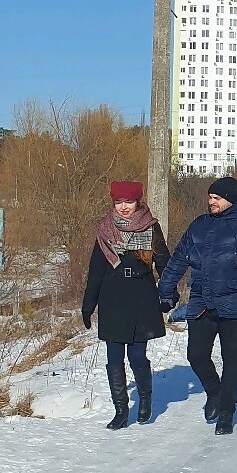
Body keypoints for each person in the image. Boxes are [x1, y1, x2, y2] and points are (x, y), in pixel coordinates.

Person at [157, 176, 237, 436]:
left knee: (232, 359)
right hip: (200, 301)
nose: (211, 202)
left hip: (235, 303)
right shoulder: (199, 225)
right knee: (196, 355)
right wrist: (165, 290)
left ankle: (226, 412)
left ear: (230, 200)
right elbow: (178, 259)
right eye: (210, 197)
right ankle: (214, 391)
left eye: (217, 198)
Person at [81, 181, 171, 430]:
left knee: (137, 356)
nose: (123, 208)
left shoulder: (151, 228)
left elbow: (165, 264)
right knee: (114, 357)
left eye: (128, 202)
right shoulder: (105, 230)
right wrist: (88, 304)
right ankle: (121, 410)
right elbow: (96, 271)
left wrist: (169, 293)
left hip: (142, 297)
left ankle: (145, 399)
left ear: (137, 202)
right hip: (112, 299)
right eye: (119, 202)